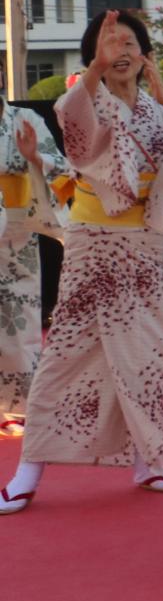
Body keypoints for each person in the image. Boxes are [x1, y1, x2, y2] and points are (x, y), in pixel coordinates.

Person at [2, 10, 163, 514]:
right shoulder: (85, 100)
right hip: (94, 243)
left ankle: (149, 459)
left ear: (144, 54)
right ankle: (27, 470)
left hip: (145, 246)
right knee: (65, 356)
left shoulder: (159, 110)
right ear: (92, 57)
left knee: (162, 357)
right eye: (109, 43)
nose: (120, 50)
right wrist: (96, 75)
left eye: (129, 42)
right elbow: (77, 132)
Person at [0, 102, 64, 437]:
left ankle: (16, 406)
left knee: (19, 318)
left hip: (18, 229)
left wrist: (36, 158)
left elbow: (62, 167)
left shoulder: (26, 120)